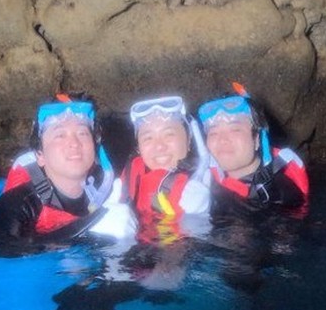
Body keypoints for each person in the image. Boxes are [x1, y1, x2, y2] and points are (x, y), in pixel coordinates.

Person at [0, 93, 132, 257]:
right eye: (60, 135)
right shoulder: (21, 201)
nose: (74, 143)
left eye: (82, 133)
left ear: (95, 146)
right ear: (40, 155)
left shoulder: (109, 187)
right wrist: (88, 228)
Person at [197, 82, 309, 217]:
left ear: (257, 139)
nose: (222, 140)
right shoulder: (200, 183)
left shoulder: (280, 195)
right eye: (213, 133)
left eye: (235, 130)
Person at [119, 95, 211, 224]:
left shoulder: (207, 182)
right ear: (138, 147)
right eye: (148, 138)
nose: (159, 146)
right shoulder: (128, 176)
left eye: (169, 135)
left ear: (188, 140)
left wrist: (201, 220)